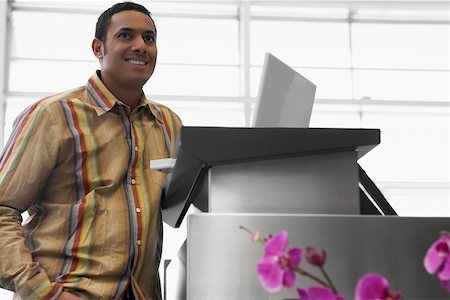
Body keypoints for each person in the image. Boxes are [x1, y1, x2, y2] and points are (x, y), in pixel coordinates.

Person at [0, 2, 181, 299]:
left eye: (149, 38)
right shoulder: (52, 116)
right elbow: (3, 208)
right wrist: (38, 290)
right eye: (126, 35)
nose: (141, 46)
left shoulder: (168, 124)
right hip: (66, 292)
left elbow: (178, 206)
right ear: (98, 48)